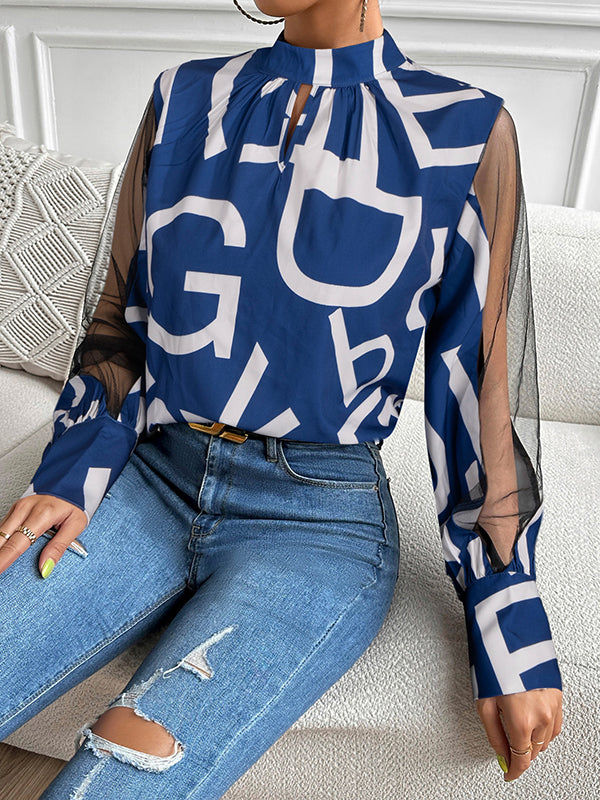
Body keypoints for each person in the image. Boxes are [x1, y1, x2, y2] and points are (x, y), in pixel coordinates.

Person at [0, 0, 563, 796]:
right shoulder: (183, 98)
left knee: (121, 779)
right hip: (151, 477)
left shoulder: (465, 130)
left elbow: (475, 391)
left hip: (316, 525)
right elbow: (122, 320)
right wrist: (71, 470)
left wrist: (509, 618)